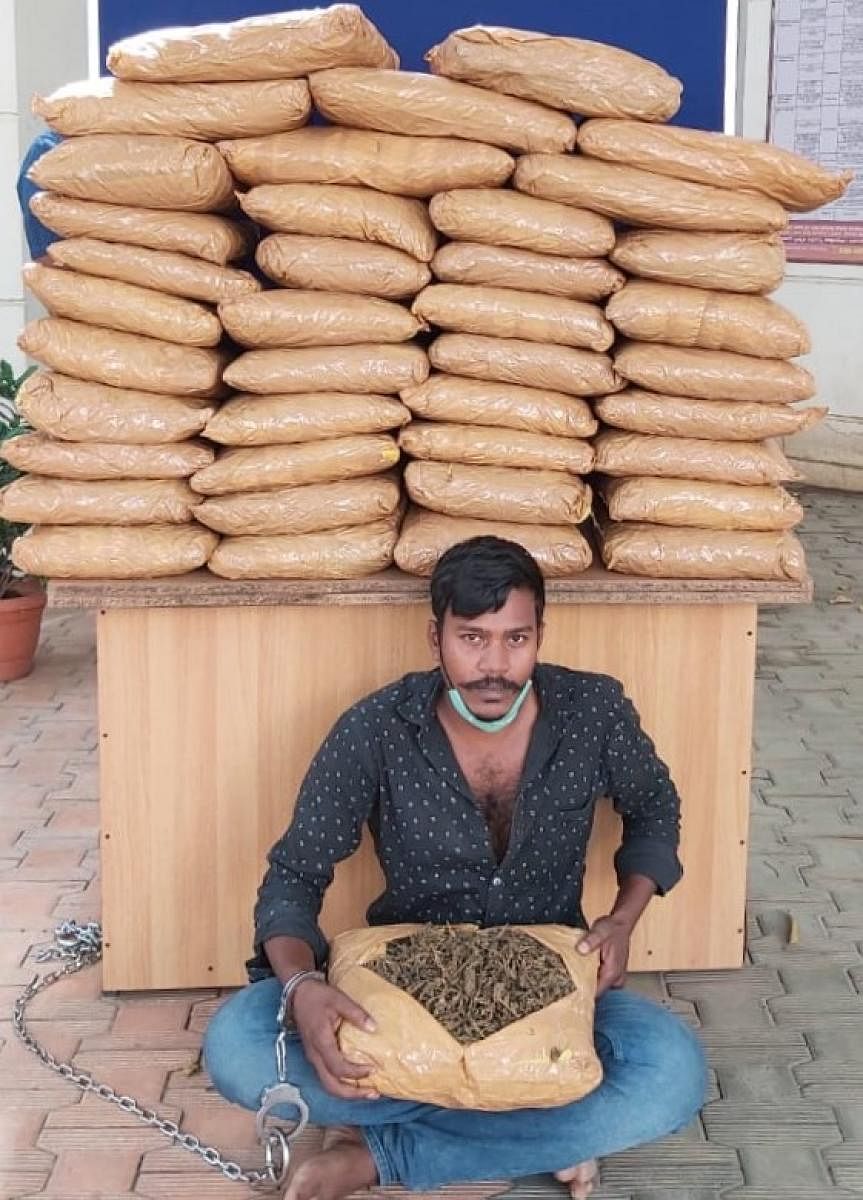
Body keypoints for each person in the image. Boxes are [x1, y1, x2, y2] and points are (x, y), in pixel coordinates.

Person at [204, 536, 707, 1200]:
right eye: (471, 638)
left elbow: (654, 808)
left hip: (549, 983)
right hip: (399, 993)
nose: (494, 665)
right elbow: (294, 873)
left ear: (539, 635)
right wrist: (300, 987)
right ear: (433, 636)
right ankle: (546, 1124)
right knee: (236, 1047)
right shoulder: (376, 727)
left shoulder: (593, 711)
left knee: (673, 1072)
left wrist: (620, 919)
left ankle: (377, 1155)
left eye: (515, 639)